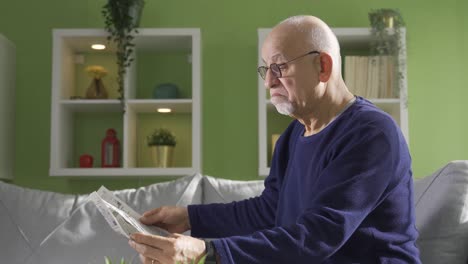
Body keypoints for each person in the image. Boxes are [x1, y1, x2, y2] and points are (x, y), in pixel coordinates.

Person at [128, 15, 421, 264]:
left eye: (279, 67)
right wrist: (189, 217)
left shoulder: (371, 133)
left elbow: (321, 234)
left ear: (323, 67)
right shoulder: (294, 135)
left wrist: (210, 252)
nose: (268, 81)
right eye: (266, 69)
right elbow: (270, 210)